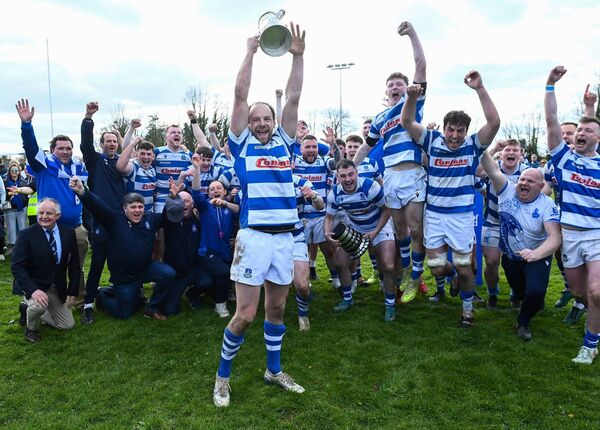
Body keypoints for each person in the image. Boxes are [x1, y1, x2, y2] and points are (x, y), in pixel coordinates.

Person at [213, 22, 306, 408]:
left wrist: (298, 57)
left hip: (285, 237)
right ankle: (222, 378)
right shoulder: (240, 146)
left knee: (277, 308)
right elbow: (239, 94)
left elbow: (296, 96)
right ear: (249, 124)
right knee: (245, 315)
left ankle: (273, 369)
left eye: (267, 117)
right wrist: (250, 52)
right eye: (256, 119)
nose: (262, 122)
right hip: (253, 237)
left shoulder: (286, 139)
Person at [400, 70, 500, 327]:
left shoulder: (473, 145)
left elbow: (494, 123)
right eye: (451, 130)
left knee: (464, 265)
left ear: (466, 131)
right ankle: (454, 278)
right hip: (434, 216)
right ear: (444, 129)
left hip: (461, 217)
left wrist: (480, 89)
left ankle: (467, 310)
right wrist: (411, 99)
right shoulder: (432, 141)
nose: (454, 135)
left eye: (460, 130)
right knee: (435, 266)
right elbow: (407, 123)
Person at [352, 21, 427, 303]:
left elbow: (421, 65)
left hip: (414, 174)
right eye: (391, 86)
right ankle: (408, 268)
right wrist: (348, 167)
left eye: (400, 84)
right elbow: (365, 149)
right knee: (399, 231)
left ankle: (415, 275)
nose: (395, 87)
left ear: (408, 88)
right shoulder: (381, 119)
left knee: (416, 228)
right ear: (386, 93)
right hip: (392, 178)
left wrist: (412, 34)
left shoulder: (414, 104)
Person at [544, 65, 600, 364]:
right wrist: (550, 85)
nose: (581, 133)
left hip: (596, 235)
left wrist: (591, 107)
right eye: (579, 130)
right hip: (569, 237)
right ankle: (584, 308)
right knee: (580, 292)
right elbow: (552, 120)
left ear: (597, 138)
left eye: (588, 130)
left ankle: (589, 345)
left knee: (597, 292)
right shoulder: (563, 158)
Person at [479, 145, 561, 340]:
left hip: (537, 255)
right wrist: (480, 145)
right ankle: (518, 295)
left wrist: (536, 254)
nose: (523, 183)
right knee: (520, 290)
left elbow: (555, 236)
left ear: (541, 187)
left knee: (536, 292)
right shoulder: (506, 190)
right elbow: (491, 169)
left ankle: (523, 322)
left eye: (530, 181)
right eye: (522, 179)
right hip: (511, 256)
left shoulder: (546, 205)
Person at [69, 177, 176, 320]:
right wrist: (83, 192)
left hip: (145, 269)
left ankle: (152, 307)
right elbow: (98, 207)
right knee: (124, 313)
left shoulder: (150, 219)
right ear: (124, 209)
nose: (137, 210)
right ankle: (102, 295)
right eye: (133, 207)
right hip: (125, 278)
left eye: (140, 207)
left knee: (168, 273)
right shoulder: (114, 220)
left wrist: (173, 199)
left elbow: (169, 217)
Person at [16, 99, 89, 307]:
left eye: (68, 148)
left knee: (78, 266)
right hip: (50, 228)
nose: (65, 151)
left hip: (76, 228)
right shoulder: (43, 165)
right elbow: (30, 147)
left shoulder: (79, 168)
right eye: (60, 148)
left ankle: (79, 298)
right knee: (47, 266)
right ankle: (40, 301)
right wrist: (26, 125)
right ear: (52, 150)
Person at [324, 160, 397, 321]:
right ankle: (347, 299)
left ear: (356, 172)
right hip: (355, 227)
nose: (348, 179)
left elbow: (387, 210)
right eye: (343, 176)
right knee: (340, 262)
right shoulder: (335, 193)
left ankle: (390, 304)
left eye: (351, 174)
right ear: (338, 176)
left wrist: (375, 231)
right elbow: (329, 217)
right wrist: (327, 233)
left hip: (379, 225)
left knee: (388, 265)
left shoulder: (371, 187)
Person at [80, 102, 128, 324]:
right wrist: (89, 118)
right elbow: (85, 145)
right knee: (98, 261)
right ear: (101, 144)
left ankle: (124, 294)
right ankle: (88, 303)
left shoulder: (122, 163)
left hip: (119, 220)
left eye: (113, 141)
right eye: (107, 141)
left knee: (119, 261)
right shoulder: (95, 161)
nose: (110, 144)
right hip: (100, 218)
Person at [11, 198, 80, 342]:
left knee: (67, 325)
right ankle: (32, 329)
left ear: (58, 215)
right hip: (33, 283)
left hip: (55, 286)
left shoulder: (68, 233)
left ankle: (30, 310)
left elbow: (74, 265)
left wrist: (73, 290)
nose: (44, 216)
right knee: (38, 307)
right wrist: (33, 290)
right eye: (41, 213)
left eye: (49, 213)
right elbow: (17, 266)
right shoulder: (26, 235)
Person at [479, 139, 525, 308]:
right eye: (507, 150)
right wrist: (494, 148)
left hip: (517, 226)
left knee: (517, 264)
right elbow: (477, 172)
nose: (511, 153)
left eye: (515, 150)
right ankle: (492, 293)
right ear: (502, 153)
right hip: (492, 222)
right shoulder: (493, 167)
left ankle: (516, 293)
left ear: (521, 154)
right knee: (491, 262)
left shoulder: (526, 171)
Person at [3, 161, 31, 255]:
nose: (14, 172)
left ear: (19, 171)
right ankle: (12, 246)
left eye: (16, 170)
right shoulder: (5, 182)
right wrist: (10, 196)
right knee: (11, 227)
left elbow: (26, 195)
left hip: (21, 207)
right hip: (10, 208)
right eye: (12, 170)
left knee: (22, 226)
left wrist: (18, 193)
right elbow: (3, 194)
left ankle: (22, 245)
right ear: (9, 171)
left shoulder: (22, 182)